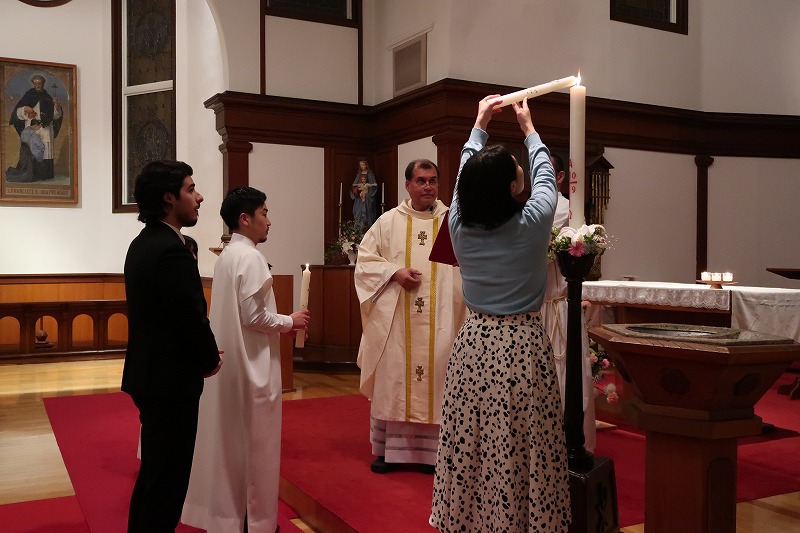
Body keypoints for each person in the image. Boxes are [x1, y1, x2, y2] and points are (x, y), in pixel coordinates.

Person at [430, 96, 571, 532]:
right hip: (522, 344)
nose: (521, 169)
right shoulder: (533, 222)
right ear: (512, 187)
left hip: (474, 342)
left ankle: (468, 521)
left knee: (471, 437)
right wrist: (529, 128)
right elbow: (545, 178)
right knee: (522, 438)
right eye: (515, 168)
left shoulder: (457, 223)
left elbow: (463, 177)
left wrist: (480, 123)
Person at [182, 187, 310, 533]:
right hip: (252, 366)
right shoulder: (250, 257)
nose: (269, 221)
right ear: (245, 218)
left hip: (233, 363)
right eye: (264, 213)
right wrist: (289, 321)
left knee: (233, 447)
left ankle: (231, 517)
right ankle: (256, 522)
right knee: (257, 448)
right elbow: (254, 316)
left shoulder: (227, 256)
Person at [122, 160, 222, 532]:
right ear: (169, 198)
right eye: (190, 189)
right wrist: (208, 358)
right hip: (170, 380)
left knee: (155, 473)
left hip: (152, 375)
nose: (199, 197)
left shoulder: (144, 242)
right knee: (168, 480)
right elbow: (189, 315)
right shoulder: (170, 249)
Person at [355, 158, 466, 474]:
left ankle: (434, 454)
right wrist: (394, 272)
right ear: (408, 185)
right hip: (397, 321)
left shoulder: (453, 222)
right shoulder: (388, 222)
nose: (428, 187)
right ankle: (390, 451)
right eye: (421, 181)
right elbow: (364, 262)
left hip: (443, 319)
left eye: (433, 181)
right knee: (395, 379)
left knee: (439, 378)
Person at [541, 153, 597, 453]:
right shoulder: (532, 208)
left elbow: (537, 253)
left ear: (560, 177)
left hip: (558, 306)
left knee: (564, 376)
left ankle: (565, 446)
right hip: (536, 308)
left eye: (545, 170)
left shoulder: (565, 209)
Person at [9, 74, 63, 180]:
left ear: (43, 83)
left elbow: (55, 116)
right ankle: (31, 173)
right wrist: (25, 109)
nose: (38, 85)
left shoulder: (48, 98)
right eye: (36, 83)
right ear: (33, 84)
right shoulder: (28, 96)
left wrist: (56, 107)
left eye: (40, 83)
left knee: (45, 150)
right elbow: (17, 112)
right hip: (32, 127)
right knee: (32, 150)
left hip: (46, 129)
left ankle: (45, 175)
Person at [350, 158, 378, 229]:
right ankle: (358, 228)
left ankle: (366, 227)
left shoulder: (370, 174)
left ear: (366, 165)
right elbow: (354, 184)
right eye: (360, 165)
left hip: (367, 198)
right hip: (359, 198)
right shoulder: (359, 174)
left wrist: (367, 191)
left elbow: (374, 186)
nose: (362, 167)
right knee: (357, 212)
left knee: (367, 213)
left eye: (363, 165)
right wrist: (358, 187)